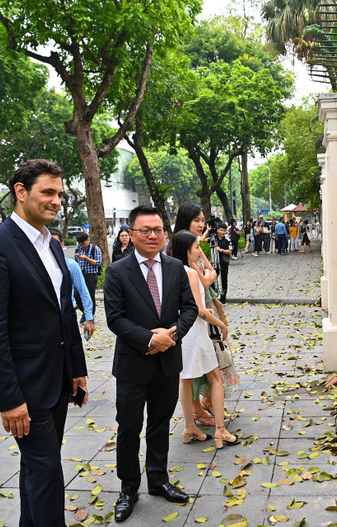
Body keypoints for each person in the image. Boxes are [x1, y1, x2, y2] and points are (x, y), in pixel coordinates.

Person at [0, 159, 88, 527]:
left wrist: (77, 370)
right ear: (21, 192)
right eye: (47, 192)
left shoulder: (51, 245)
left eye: (59, 194)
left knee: (37, 468)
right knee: (46, 470)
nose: (56, 201)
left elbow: (65, 312)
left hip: (57, 379)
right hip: (23, 387)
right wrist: (8, 398)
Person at [104, 205, 198, 522]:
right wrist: (148, 339)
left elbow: (189, 309)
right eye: (145, 230)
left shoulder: (175, 268)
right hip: (133, 365)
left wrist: (170, 335)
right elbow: (115, 318)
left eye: (158, 230)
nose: (152, 235)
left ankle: (158, 480)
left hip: (168, 363)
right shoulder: (117, 271)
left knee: (159, 426)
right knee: (129, 428)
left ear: (165, 233)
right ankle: (128, 488)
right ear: (131, 234)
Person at [171, 230, 237, 448]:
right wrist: (221, 324)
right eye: (197, 247)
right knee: (215, 378)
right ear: (186, 250)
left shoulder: (171, 269)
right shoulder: (189, 273)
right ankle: (220, 430)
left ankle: (189, 427)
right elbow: (200, 310)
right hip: (196, 332)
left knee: (186, 380)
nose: (200, 251)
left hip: (181, 332)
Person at [172, 202, 219, 426]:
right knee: (192, 369)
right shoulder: (180, 247)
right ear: (186, 221)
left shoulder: (196, 245)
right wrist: (204, 277)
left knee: (208, 363)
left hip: (205, 307)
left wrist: (205, 277)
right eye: (197, 220)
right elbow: (199, 278)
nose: (201, 224)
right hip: (194, 315)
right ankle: (197, 412)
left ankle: (205, 405)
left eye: (203, 220)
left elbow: (212, 272)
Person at [50, 229, 95, 339]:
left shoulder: (71, 266)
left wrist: (89, 318)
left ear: (62, 244)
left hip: (67, 314)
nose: (50, 246)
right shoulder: (38, 266)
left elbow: (83, 291)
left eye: (55, 243)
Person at [74, 232, 102, 323]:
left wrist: (86, 258)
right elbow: (76, 262)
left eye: (83, 243)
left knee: (90, 296)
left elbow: (98, 262)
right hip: (80, 275)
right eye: (80, 243)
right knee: (77, 296)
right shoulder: (78, 249)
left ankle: (90, 316)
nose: (82, 245)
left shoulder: (95, 249)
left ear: (88, 240)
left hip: (91, 275)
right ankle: (85, 313)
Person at [213, 223, 232, 303]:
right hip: (215, 263)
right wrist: (207, 230)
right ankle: (213, 296)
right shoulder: (214, 239)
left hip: (224, 262)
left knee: (224, 280)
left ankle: (223, 298)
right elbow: (202, 239)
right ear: (217, 230)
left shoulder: (227, 240)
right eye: (221, 230)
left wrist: (222, 250)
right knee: (212, 280)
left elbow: (230, 252)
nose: (222, 232)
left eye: (224, 231)